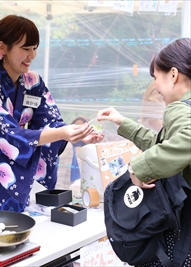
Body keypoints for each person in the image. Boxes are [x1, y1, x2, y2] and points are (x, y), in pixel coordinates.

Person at [0, 15, 102, 212]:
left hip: (25, 176)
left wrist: (80, 133)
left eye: (35, 48)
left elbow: (52, 121)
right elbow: (9, 135)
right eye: (25, 48)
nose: (32, 55)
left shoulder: (33, 81)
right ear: (3, 48)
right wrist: (63, 133)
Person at [97, 38, 191, 266]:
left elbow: (187, 139)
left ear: (173, 74)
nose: (156, 87)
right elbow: (164, 143)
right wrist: (123, 122)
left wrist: (139, 168)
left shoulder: (179, 107)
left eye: (156, 77)